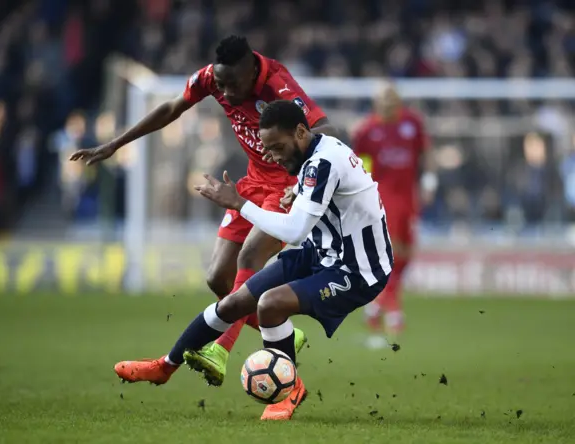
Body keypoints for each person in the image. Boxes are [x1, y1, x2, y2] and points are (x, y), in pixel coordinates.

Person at [70, 36, 336, 385]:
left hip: (286, 188)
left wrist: (302, 184)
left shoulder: (278, 84)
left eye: (233, 85)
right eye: (220, 85)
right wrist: (116, 143)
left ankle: (220, 350)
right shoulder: (212, 77)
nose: (224, 93)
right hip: (253, 184)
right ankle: (283, 332)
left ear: (251, 70)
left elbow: (326, 131)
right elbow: (171, 108)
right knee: (217, 278)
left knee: (250, 258)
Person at [113, 100, 392, 421]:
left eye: (277, 147)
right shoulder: (316, 151)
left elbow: (296, 230)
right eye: (267, 150)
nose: (272, 156)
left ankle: (288, 393)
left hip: (358, 269)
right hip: (322, 252)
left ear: (301, 131)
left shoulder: (322, 162)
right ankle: (165, 366)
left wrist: (239, 203)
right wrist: (297, 194)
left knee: (270, 304)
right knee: (234, 302)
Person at [351, 82, 435, 348]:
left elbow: (426, 153)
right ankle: (395, 313)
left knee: (407, 255)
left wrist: (430, 180)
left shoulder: (412, 123)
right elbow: (359, 165)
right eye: (383, 100)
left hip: (409, 197)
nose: (388, 104)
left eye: (392, 99)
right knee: (392, 253)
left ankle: (375, 307)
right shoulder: (366, 130)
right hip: (382, 197)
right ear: (377, 103)